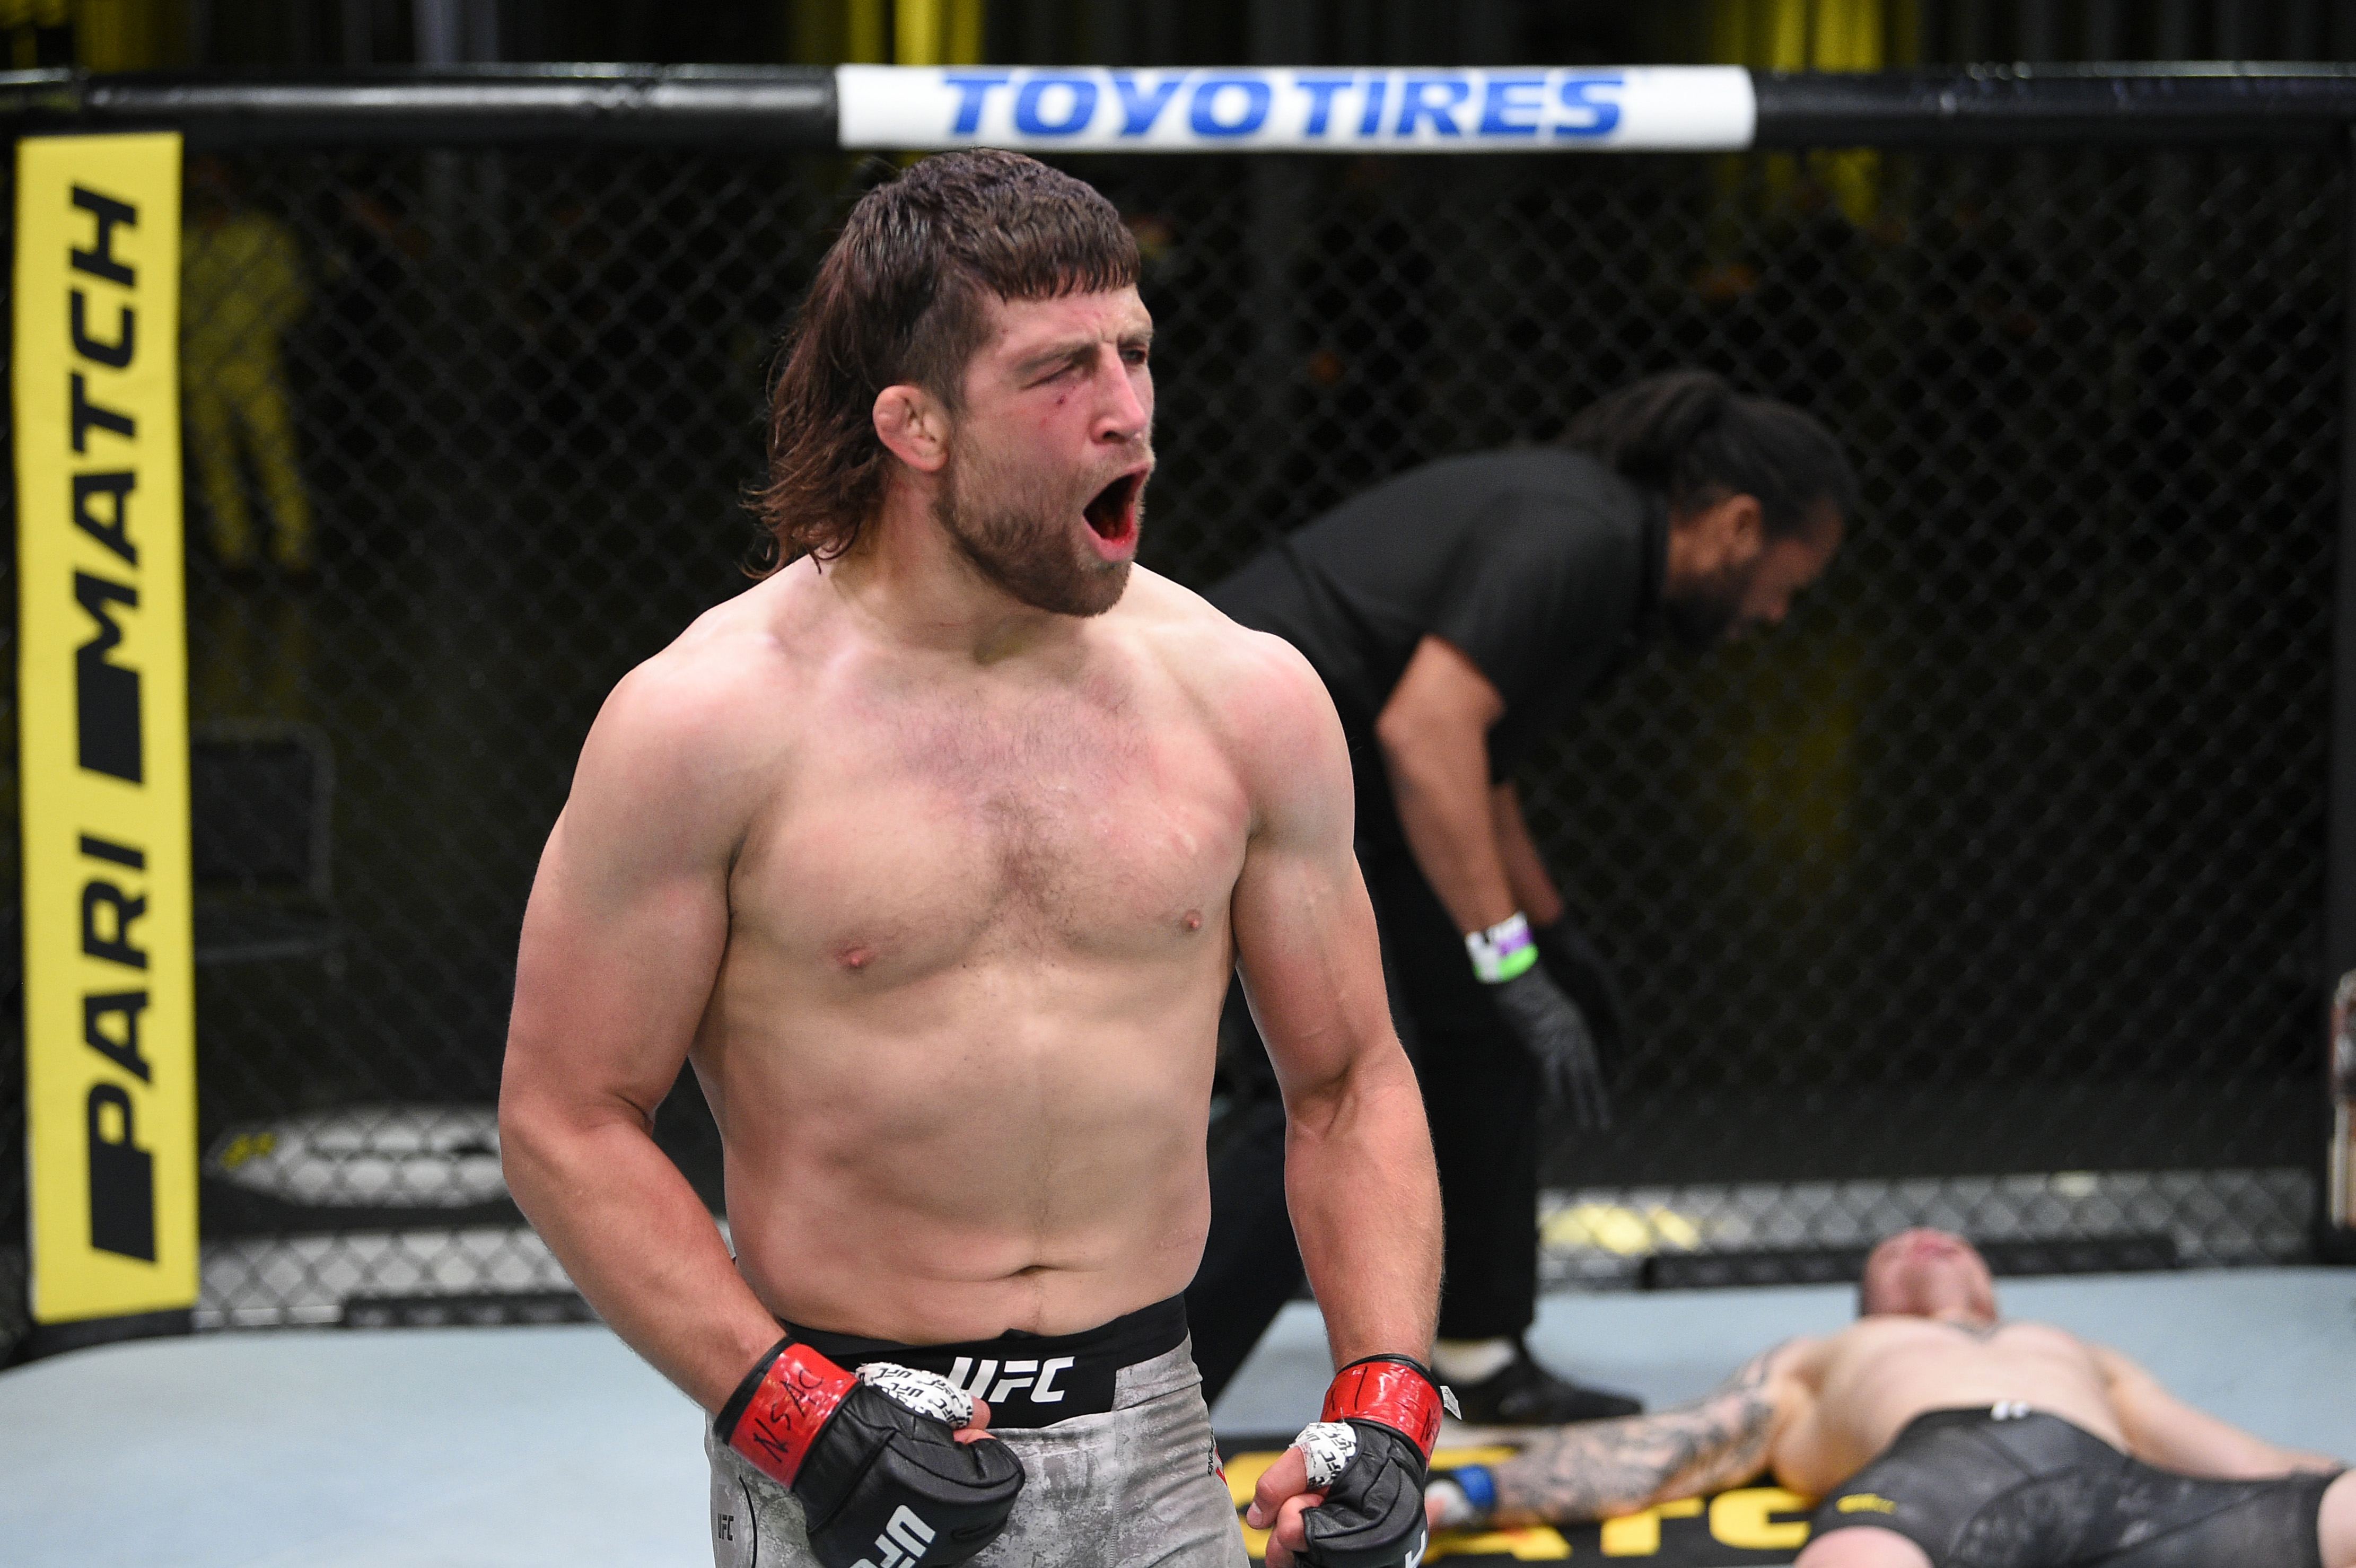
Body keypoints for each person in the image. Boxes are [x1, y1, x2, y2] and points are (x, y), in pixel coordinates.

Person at [498, 151, 1446, 1568]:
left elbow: (1349, 1078)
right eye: (1061, 370)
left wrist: (1384, 1397)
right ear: (916, 426)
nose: (1126, 412)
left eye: (1133, 351)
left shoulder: (1244, 698)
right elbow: (564, 1115)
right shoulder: (710, 721)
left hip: (1155, 1427)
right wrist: (796, 1417)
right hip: (856, 1443)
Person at [1189, 371, 1856, 1422]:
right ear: (1737, 525)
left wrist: (1544, 939)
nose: (1773, 614)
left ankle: (1478, 1348)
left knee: (1482, 1022)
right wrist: (1509, 956)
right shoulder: (1578, 535)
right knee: (1317, 1092)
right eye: (1785, 582)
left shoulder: (1610, 557)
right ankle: (1155, 1405)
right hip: (1223, 775)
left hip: (1325, 787)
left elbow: (1477, 769)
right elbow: (1428, 734)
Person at [1414, 1229, 2355, 1568]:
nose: (1922, 1239)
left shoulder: (2076, 1352)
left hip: (2114, 1489)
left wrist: (2325, 1483)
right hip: (1931, 1478)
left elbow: (2233, 1457)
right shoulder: (1828, 1352)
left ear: (1988, 1279)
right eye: (1893, 1246)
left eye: (1946, 1238)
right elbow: (1678, 1443)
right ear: (1868, 1297)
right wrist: (1467, 1496)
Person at [181, 153, 315, 578]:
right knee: (214, 457)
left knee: (275, 452)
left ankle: (295, 551)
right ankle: (234, 551)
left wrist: (261, 327)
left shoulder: (262, 235)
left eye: (216, 175)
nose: (208, 185)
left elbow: (292, 291)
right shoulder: (179, 240)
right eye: (200, 176)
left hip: (256, 360)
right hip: (197, 361)